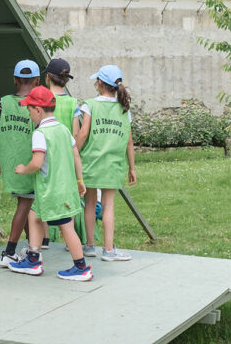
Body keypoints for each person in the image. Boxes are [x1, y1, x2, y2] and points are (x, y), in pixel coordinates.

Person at [7, 85, 92, 281]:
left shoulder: (40, 133)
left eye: (29, 110)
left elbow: (37, 163)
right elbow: (75, 155)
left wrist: (23, 169)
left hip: (51, 191)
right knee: (34, 215)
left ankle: (81, 267)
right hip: (64, 188)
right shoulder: (62, 129)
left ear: (38, 110)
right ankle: (33, 259)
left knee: (66, 227)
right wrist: (80, 181)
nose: (29, 115)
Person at [77, 64, 136, 261]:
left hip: (90, 162)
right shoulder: (124, 109)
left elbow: (83, 133)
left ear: (100, 83)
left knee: (90, 204)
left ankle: (89, 246)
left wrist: (73, 151)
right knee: (108, 204)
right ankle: (109, 250)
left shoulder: (89, 105)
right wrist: (132, 167)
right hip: (114, 164)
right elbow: (128, 141)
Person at [0, 59, 40, 266]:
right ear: (37, 80)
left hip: (10, 163)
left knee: (25, 205)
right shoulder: (36, 104)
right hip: (29, 164)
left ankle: (30, 245)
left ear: (14, 80)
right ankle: (9, 251)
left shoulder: (4, 102)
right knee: (25, 205)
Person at [43, 56, 85, 246]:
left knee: (44, 194)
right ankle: (71, 242)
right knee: (68, 196)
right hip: (66, 157)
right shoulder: (72, 103)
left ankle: (44, 239)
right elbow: (75, 133)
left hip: (45, 156)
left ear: (48, 77)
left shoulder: (43, 100)